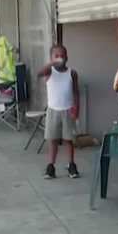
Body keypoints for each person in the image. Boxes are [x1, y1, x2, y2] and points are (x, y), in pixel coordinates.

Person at [37, 44, 80, 179]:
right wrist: (51, 63)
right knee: (53, 139)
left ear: (67, 57)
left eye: (62, 55)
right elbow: (39, 73)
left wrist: (77, 108)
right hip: (53, 110)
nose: (60, 58)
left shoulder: (72, 73)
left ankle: (71, 164)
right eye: (56, 56)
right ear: (51, 58)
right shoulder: (49, 72)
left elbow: (76, 93)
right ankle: (51, 166)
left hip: (68, 109)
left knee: (69, 140)